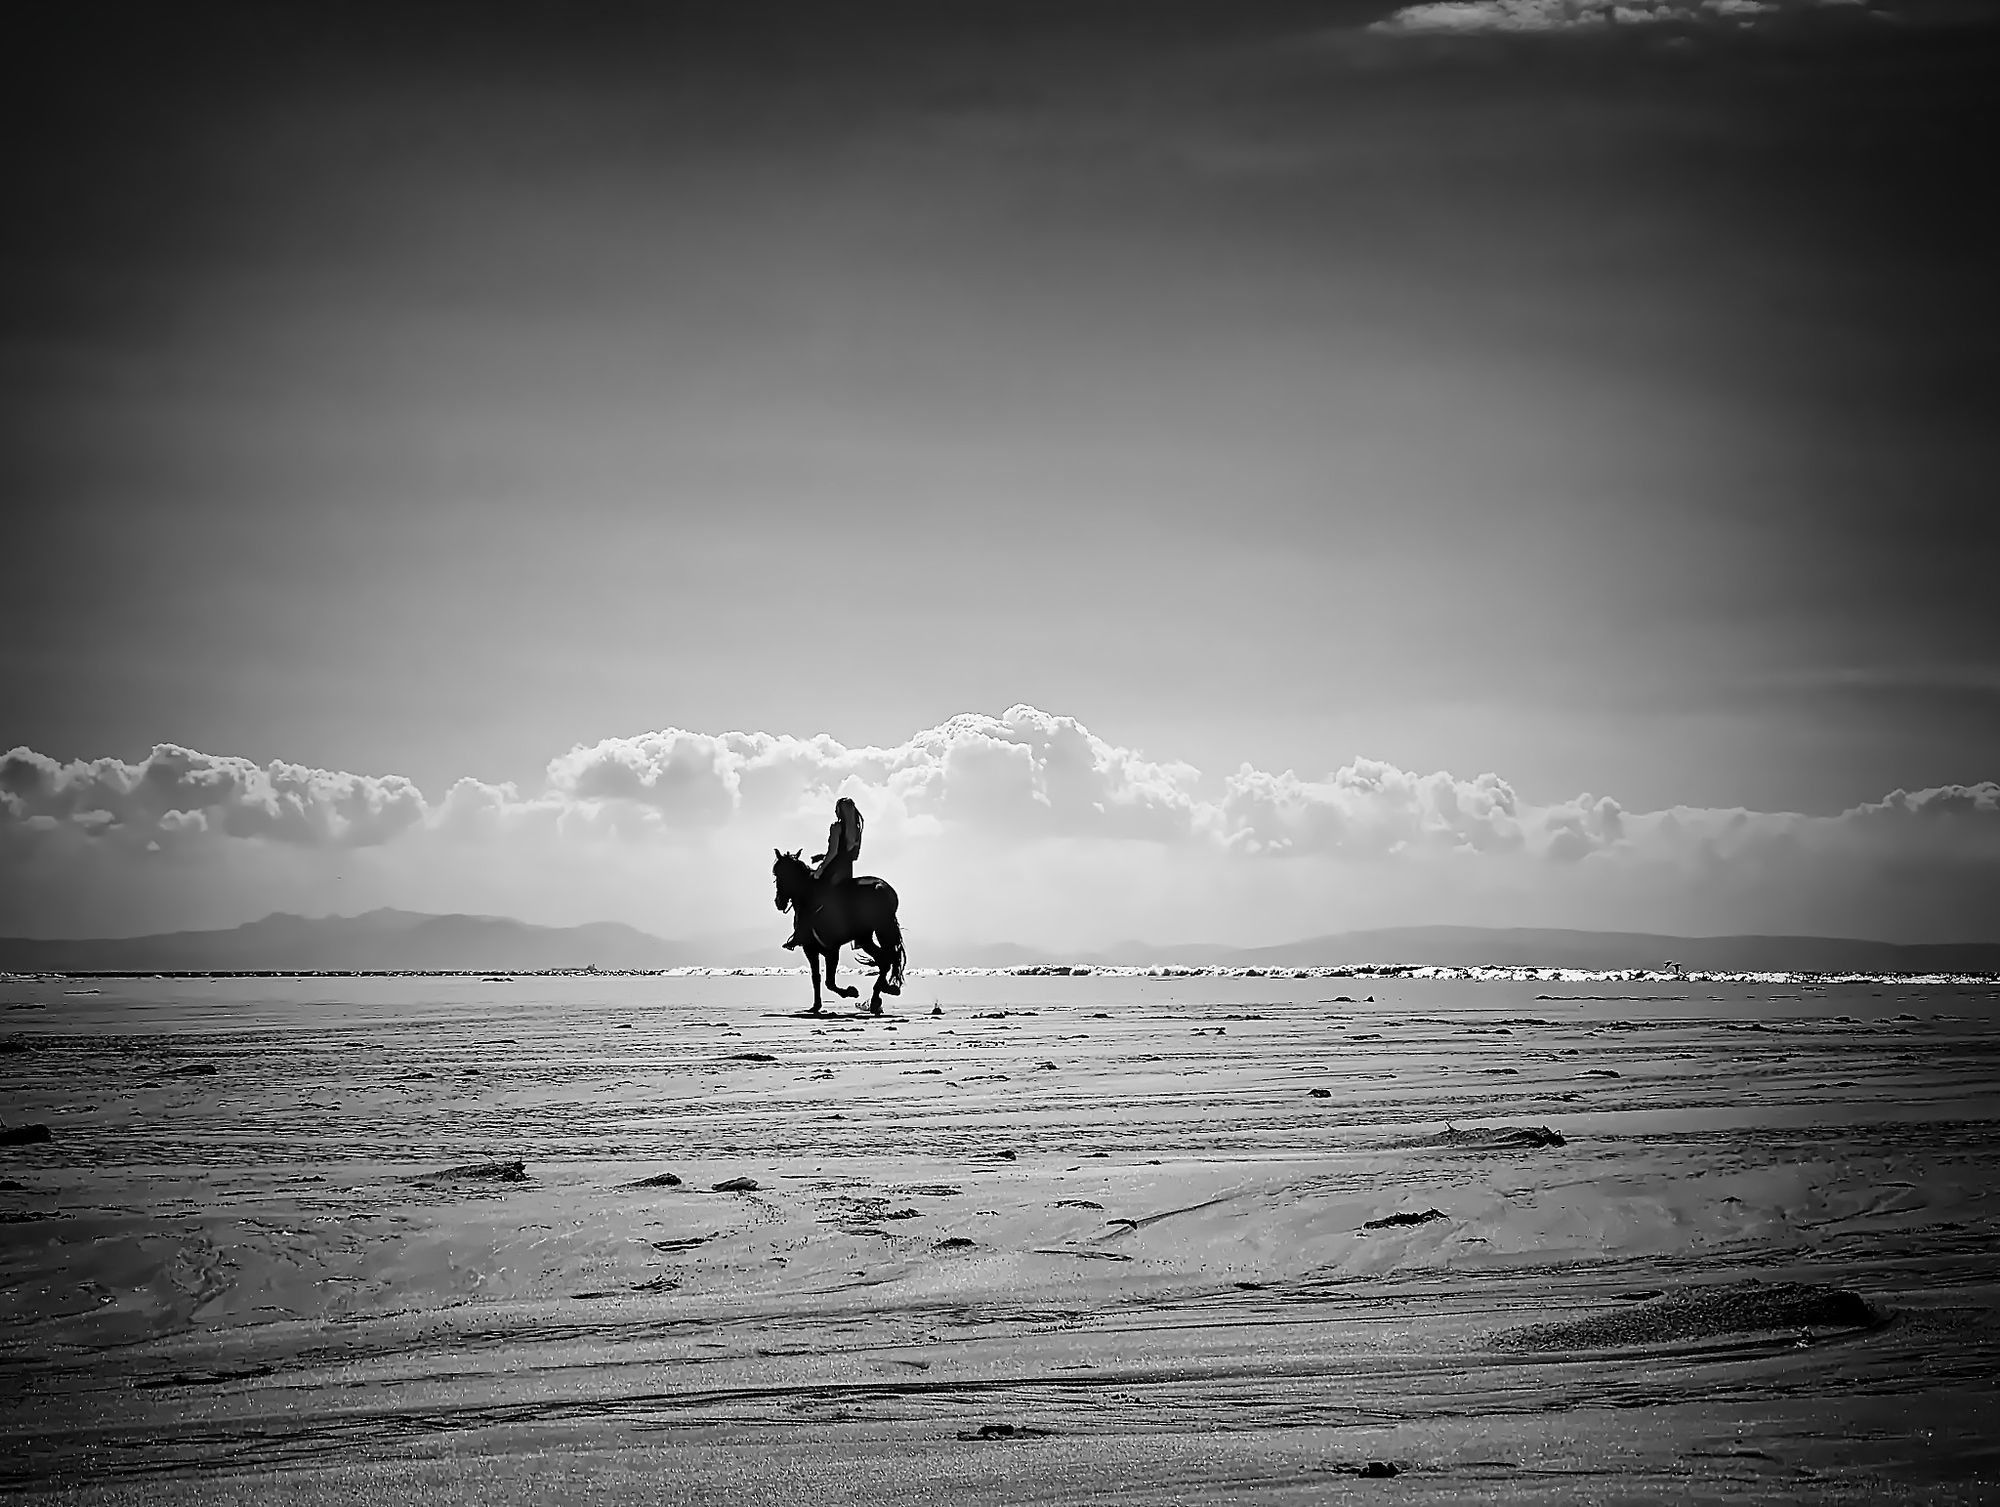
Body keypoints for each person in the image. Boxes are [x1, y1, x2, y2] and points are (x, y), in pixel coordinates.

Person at [783, 797, 863, 951]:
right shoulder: (857, 831)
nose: (835, 811)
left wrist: (820, 869)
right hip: (847, 871)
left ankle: (799, 935)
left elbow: (833, 853)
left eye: (836, 808)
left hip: (833, 872)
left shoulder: (836, 827)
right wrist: (822, 856)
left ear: (840, 811)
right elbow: (852, 855)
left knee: (807, 896)